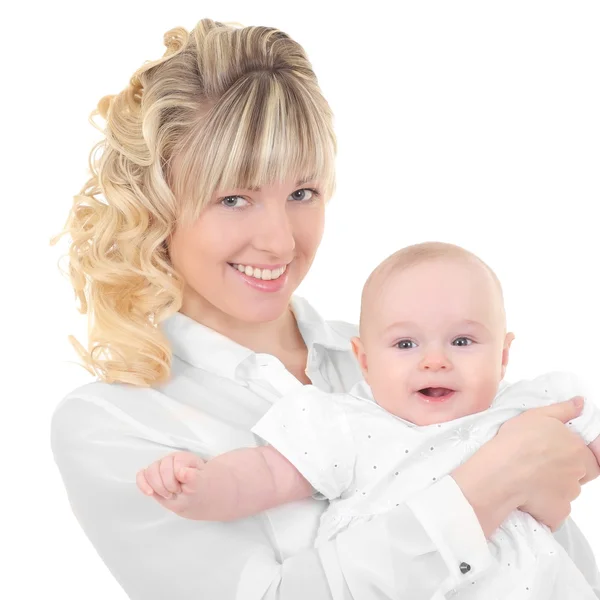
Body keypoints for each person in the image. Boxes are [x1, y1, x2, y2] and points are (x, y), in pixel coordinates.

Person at [49, 18, 600, 600]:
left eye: (302, 194)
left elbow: (557, 554)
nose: (281, 242)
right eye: (234, 198)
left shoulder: (400, 356)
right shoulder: (114, 426)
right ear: (156, 207)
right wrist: (495, 479)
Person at [136, 242, 600, 599]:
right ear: (364, 360)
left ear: (502, 356)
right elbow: (266, 475)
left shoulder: (523, 407)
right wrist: (200, 487)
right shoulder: (345, 425)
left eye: (462, 341)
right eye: (405, 345)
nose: (434, 361)